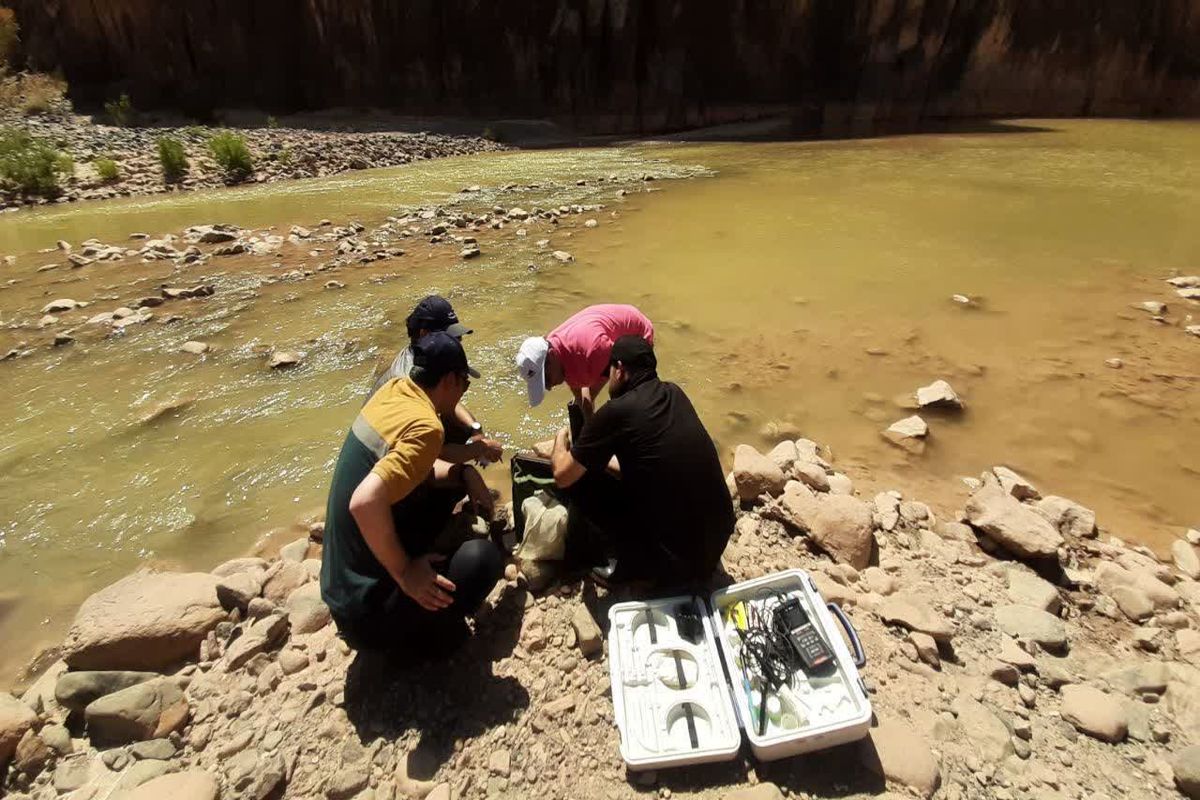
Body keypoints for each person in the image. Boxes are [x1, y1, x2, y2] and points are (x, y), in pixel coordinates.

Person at [321, 331, 503, 652]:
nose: (464, 392)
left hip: (341, 589)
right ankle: (426, 641)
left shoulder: (394, 391)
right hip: (366, 614)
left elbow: (415, 474)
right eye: (465, 383)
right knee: (484, 559)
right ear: (449, 380)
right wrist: (406, 572)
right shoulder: (428, 427)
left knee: (448, 488)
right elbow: (364, 502)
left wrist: (465, 473)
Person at [549, 335, 734, 587]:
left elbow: (562, 474)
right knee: (602, 468)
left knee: (582, 482)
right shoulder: (674, 393)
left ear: (620, 371)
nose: (605, 378)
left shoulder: (616, 411)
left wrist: (560, 441)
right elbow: (648, 465)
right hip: (715, 542)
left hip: (674, 562)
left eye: (608, 370)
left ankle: (632, 568)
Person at [372, 295, 502, 466]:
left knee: (459, 427)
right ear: (424, 334)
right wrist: (477, 451)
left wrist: (475, 430)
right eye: (451, 337)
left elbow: (448, 401)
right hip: (386, 459)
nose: (457, 343)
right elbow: (430, 451)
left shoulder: (422, 359)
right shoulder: (409, 377)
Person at [515, 303, 654, 419]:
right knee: (583, 406)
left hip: (637, 332)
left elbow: (618, 368)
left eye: (546, 379)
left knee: (625, 400)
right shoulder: (556, 351)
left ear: (551, 356)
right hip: (598, 343)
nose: (549, 387)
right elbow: (582, 397)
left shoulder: (594, 350)